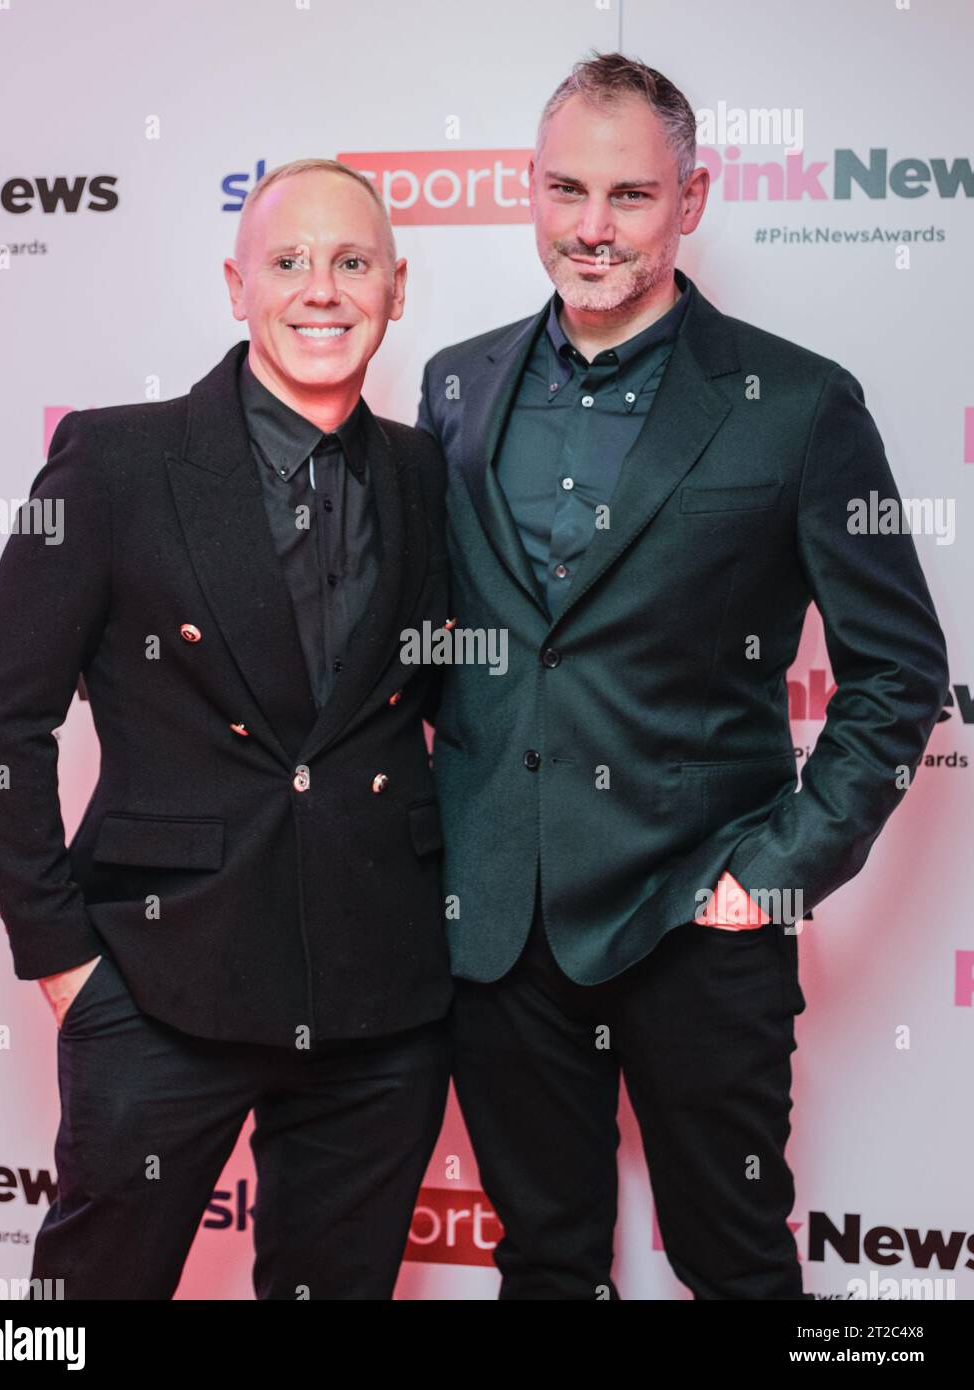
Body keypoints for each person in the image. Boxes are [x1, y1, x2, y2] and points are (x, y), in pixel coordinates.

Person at [416, 52, 950, 1299]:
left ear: (691, 201)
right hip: (498, 925)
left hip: (694, 925)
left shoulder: (801, 405)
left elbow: (896, 669)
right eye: (565, 190)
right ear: (528, 190)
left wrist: (770, 874)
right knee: (544, 1263)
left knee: (734, 1262)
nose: (590, 228)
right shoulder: (455, 383)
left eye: (630, 196)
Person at [0, 158, 452, 1300]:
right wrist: (63, 960)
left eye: (351, 262)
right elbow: (0, 714)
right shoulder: (112, 460)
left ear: (396, 286)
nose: (319, 290)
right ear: (236, 287)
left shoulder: (427, 473)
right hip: (152, 977)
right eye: (286, 263)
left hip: (376, 1005)